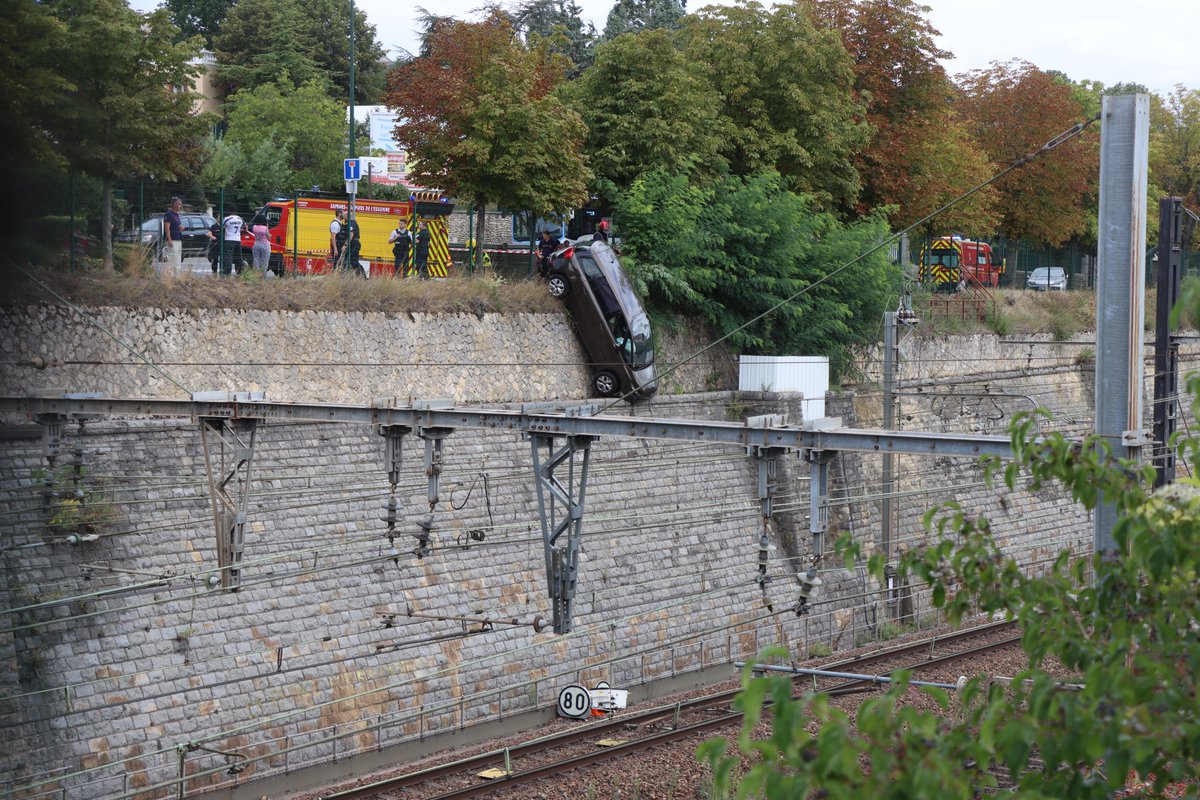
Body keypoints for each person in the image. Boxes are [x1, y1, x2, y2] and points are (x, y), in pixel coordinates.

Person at [221, 211, 244, 276]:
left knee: (228, 257)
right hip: (237, 239)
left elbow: (222, 227)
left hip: (229, 239)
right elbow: (244, 227)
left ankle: (227, 273)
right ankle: (240, 272)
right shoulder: (240, 219)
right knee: (238, 257)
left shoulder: (227, 219)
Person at [162, 198, 183, 268]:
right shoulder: (169, 214)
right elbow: (167, 228)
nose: (180, 206)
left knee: (178, 259)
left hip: (178, 238)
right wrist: (169, 240)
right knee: (172, 259)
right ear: (174, 204)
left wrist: (181, 227)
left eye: (181, 204)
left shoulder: (177, 215)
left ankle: (177, 274)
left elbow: (177, 225)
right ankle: (170, 274)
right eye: (179, 204)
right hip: (173, 239)